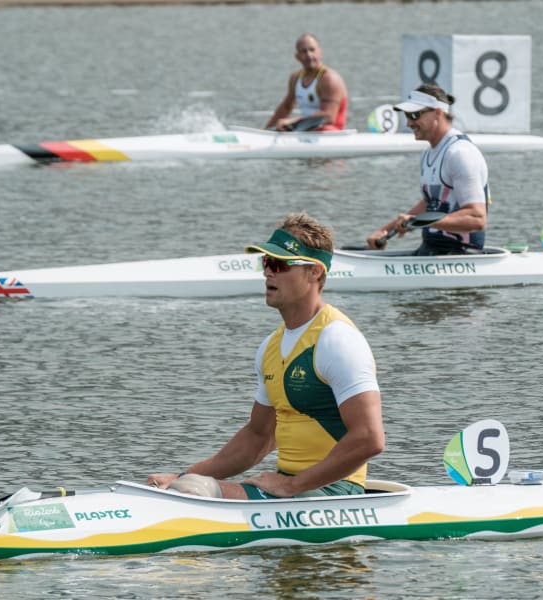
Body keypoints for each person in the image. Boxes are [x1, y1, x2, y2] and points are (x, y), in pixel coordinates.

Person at [147, 213, 384, 500]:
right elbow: (258, 437)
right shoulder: (270, 347)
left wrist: (292, 486)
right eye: (266, 262)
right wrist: (182, 476)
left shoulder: (337, 340)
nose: (267, 272)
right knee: (188, 485)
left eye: (280, 264)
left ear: (315, 272)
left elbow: (370, 438)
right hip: (290, 486)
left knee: (195, 491)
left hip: (335, 490)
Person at [367, 84, 490, 254]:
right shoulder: (428, 153)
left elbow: (477, 218)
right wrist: (385, 231)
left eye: (415, 115)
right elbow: (430, 203)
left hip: (460, 254)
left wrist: (417, 221)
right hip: (432, 251)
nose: (409, 123)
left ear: (438, 112)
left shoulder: (460, 154)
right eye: (407, 116)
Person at [264, 34, 348, 132]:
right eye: (304, 51)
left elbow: (328, 117)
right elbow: (286, 108)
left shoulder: (330, 79)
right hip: (306, 130)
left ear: (320, 52)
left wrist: (293, 121)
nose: (309, 55)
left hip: (329, 132)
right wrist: (264, 132)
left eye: (312, 50)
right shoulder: (295, 78)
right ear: (297, 57)